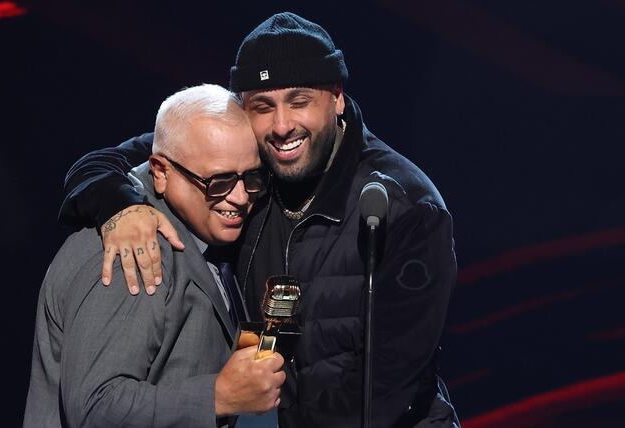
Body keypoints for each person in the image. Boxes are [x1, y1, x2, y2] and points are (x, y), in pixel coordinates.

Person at [59, 12, 459, 428]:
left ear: (336, 97)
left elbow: (385, 390)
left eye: (299, 101)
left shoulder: (407, 209)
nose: (282, 126)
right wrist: (122, 207)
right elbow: (102, 164)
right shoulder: (249, 158)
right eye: (263, 107)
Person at [24, 84, 286, 427]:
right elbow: (94, 407)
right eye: (219, 181)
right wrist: (217, 397)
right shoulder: (132, 248)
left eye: (251, 177)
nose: (239, 197)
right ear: (161, 172)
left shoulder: (203, 227)